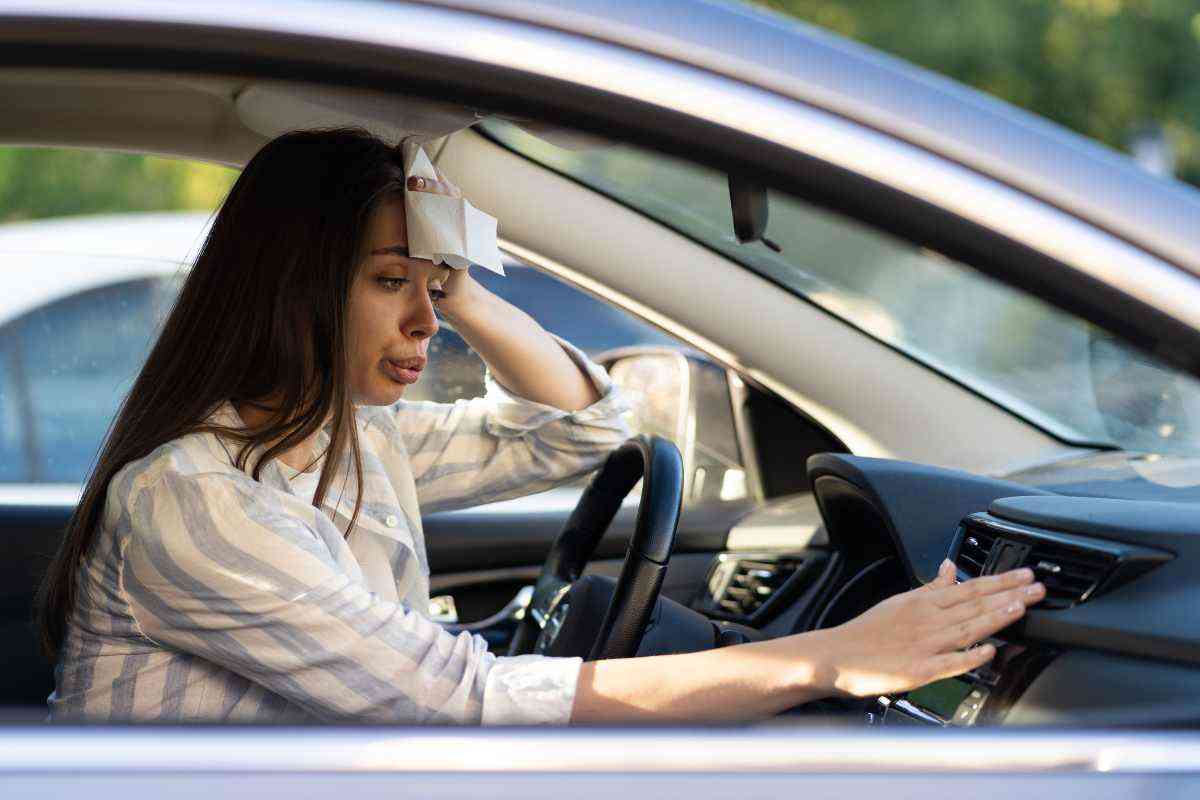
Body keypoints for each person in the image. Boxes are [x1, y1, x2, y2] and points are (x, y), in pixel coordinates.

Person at [37, 128, 1043, 724]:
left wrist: (459, 280)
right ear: (292, 287)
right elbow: (454, 699)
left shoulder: (347, 439)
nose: (426, 321)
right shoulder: (197, 497)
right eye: (391, 282)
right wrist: (829, 657)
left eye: (433, 287)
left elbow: (579, 430)